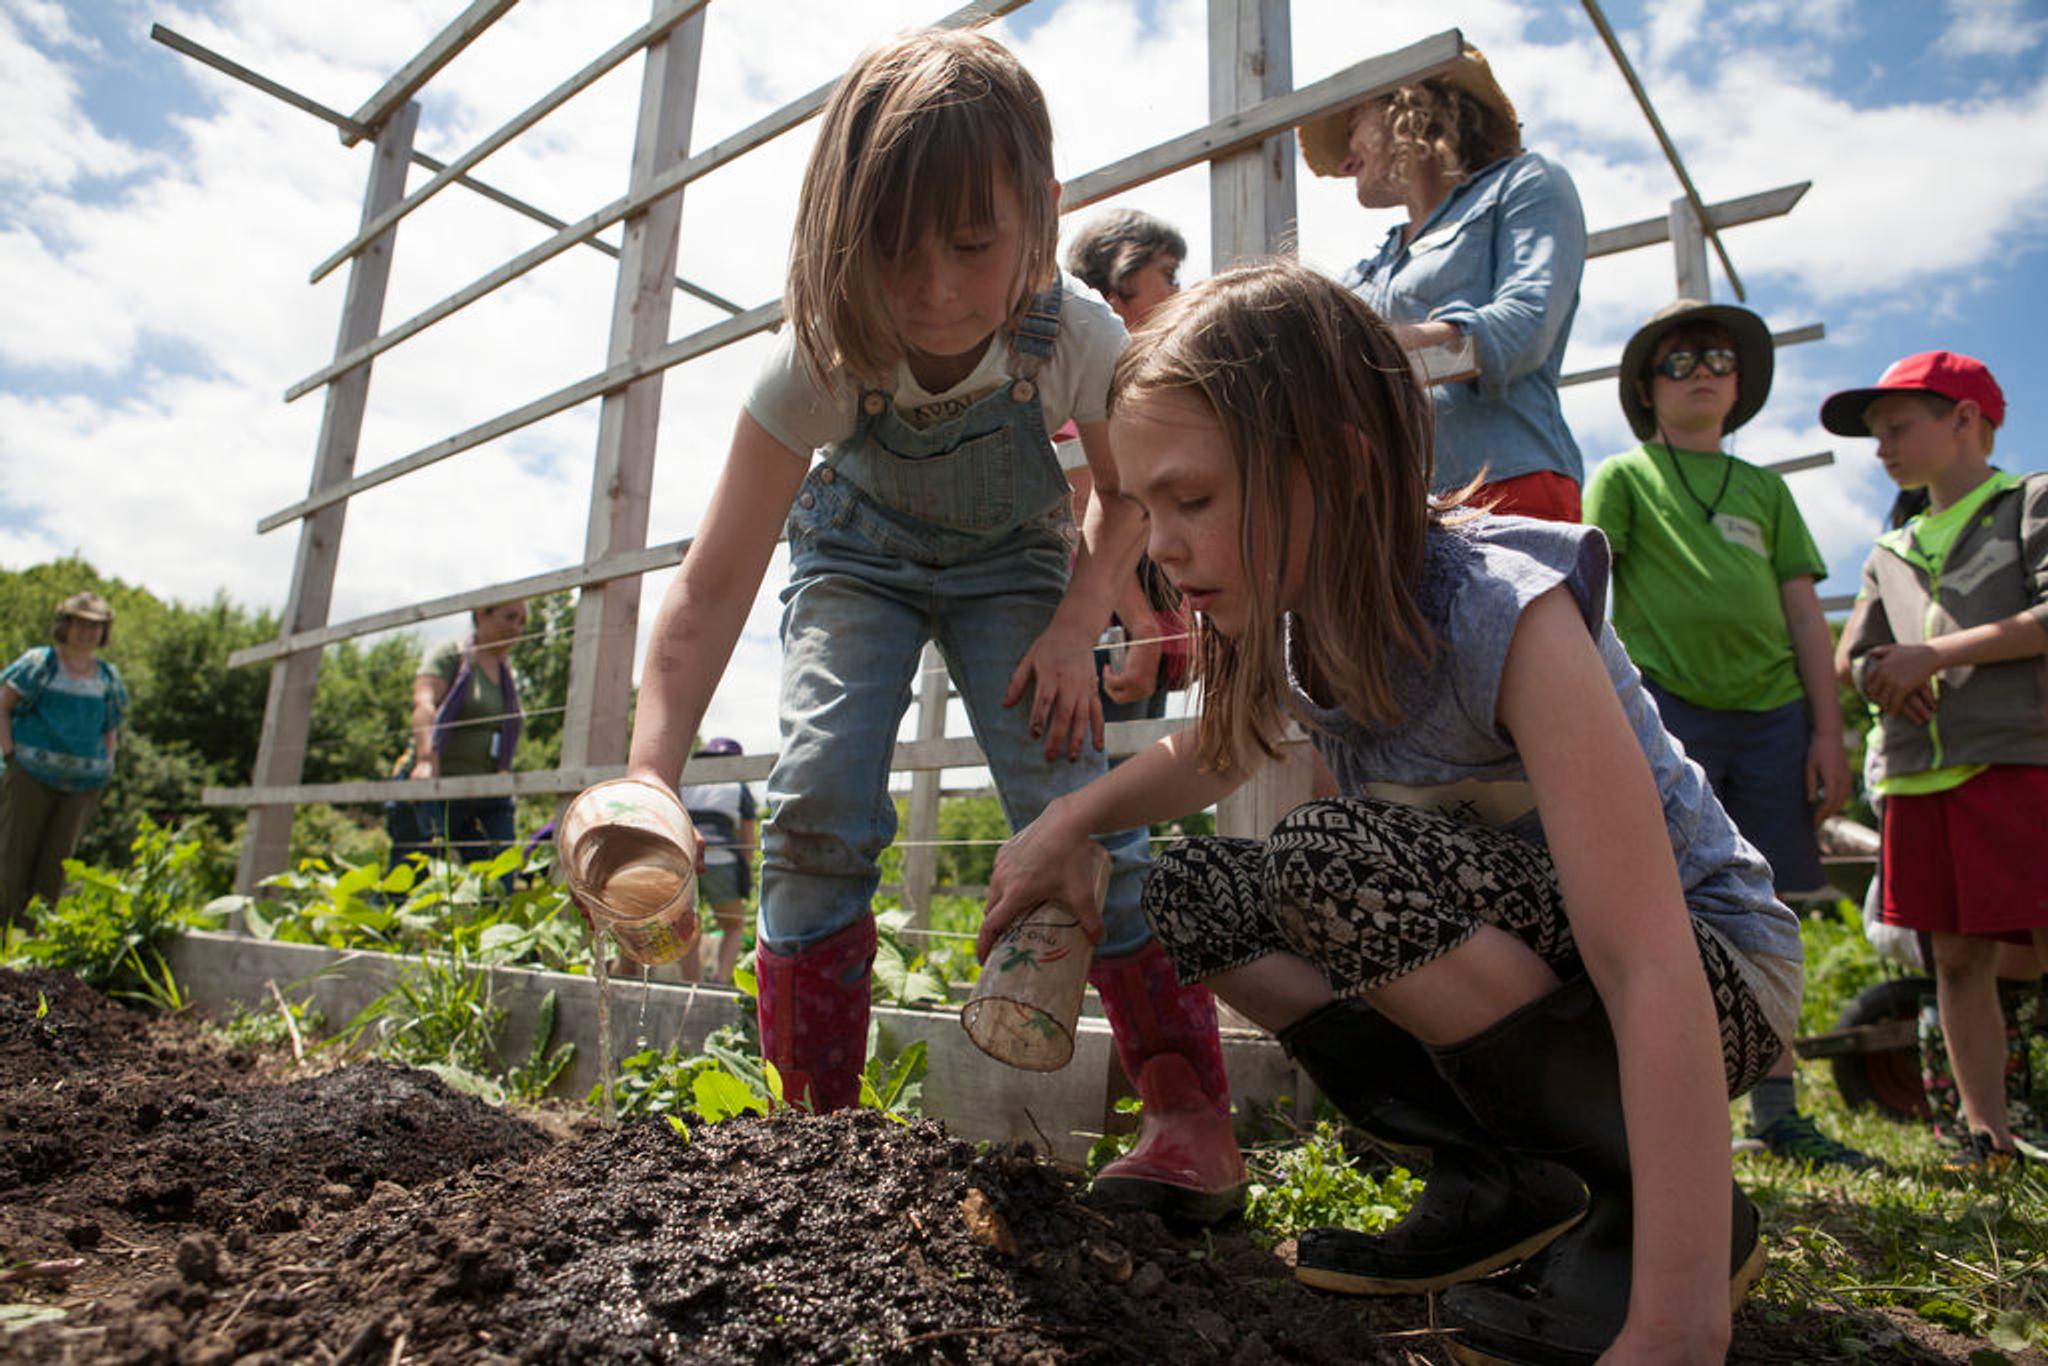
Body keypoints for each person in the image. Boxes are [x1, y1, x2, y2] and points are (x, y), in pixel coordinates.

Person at [982, 260, 1797, 1363]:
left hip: (1709, 974)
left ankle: (1646, 1214)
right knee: (1192, 889)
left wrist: (1676, 1327)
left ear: (1338, 469)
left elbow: (1643, 956)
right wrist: (1063, 825)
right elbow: (1215, 750)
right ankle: (1502, 1180)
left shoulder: (1506, 611)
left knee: (1329, 859)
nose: (1160, 548)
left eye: (1191, 499)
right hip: (1549, 973)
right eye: (1141, 505)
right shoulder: (1287, 611)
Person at [611, 30, 1245, 1223]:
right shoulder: (819, 356)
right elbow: (709, 587)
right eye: (895, 252)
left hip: (1017, 566)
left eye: (972, 243)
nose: (939, 290)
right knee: (813, 804)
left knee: (1076, 813)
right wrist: (649, 776)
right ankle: (817, 1136)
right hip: (855, 561)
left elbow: (1122, 501)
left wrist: (1073, 624)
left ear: (1042, 215)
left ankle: (1184, 1112)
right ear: (843, 237)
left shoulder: (1074, 338)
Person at [1584, 300, 1875, 1171]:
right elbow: (1591, 601)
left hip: (1777, 717)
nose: (1701, 370)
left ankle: (1777, 1111)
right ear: (1646, 388)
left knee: (1771, 906)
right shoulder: (1626, 479)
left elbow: (1803, 614)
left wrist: (1830, 731)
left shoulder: (1767, 490)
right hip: (1670, 712)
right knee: (1664, 906)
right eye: (1678, 362)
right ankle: (1664, 1102)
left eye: (1717, 357)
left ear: (1741, 382)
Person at [1830, 350, 2048, 1172]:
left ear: (1966, 421)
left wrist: (1933, 655)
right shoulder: (1893, 546)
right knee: (1957, 956)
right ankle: (1989, 1134)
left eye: (1898, 427)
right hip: (1922, 775)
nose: (1882, 446)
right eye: (1875, 435)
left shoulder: (2028, 501)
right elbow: (1859, 650)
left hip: (2019, 757)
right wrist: (1880, 678)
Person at [1296, 45, 1587, 521]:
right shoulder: (1371, 266)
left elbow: (1524, 328)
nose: (1345, 159)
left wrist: (1369, 354)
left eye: (1353, 128)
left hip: (1510, 486)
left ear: (1406, 109)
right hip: (1395, 508)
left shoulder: (1524, 183)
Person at [1063, 207, 1196, 724]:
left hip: (1135, 613)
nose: (1178, 292)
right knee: (1101, 776)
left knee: (1127, 775)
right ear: (1115, 287)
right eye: (1166, 275)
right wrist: (1144, 623)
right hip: (1104, 616)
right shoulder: (1088, 380)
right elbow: (1083, 506)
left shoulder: (1134, 389)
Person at [0, 592, 127, 930]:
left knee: (56, 867)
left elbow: (110, 727)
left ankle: (33, 951)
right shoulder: (40, 664)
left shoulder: (107, 677)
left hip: (82, 785)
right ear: (65, 625)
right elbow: (3, 703)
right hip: (30, 774)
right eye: (80, 623)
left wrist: (106, 765)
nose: (87, 631)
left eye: (95, 625)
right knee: (11, 861)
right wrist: (9, 753)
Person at [404, 600, 528, 866]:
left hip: (486, 793)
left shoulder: (508, 674)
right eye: (510, 617)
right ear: (481, 614)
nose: (517, 628)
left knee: (500, 872)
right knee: (416, 874)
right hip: (436, 787)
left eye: (522, 622)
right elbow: (424, 703)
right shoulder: (453, 655)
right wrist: (426, 761)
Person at [677, 737, 759, 984]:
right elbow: (747, 840)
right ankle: (720, 981)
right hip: (722, 857)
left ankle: (693, 983)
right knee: (733, 925)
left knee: (689, 926)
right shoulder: (739, 787)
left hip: (686, 855)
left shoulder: (687, 781)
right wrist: (743, 872)